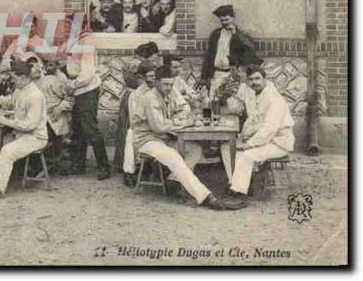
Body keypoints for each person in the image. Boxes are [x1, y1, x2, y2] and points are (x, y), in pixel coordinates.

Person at [133, 66, 227, 210]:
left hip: (164, 138)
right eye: (165, 84)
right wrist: (182, 123)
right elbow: (158, 127)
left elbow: (185, 108)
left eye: (171, 84)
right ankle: (205, 196)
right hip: (147, 140)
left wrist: (177, 118)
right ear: (157, 82)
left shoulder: (170, 92)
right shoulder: (150, 98)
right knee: (173, 156)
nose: (169, 87)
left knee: (195, 149)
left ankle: (174, 180)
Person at [224, 65, 295, 209]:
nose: (254, 82)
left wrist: (250, 143)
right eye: (250, 79)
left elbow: (269, 129)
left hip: (279, 142)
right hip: (266, 140)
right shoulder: (254, 93)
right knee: (235, 148)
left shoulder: (274, 99)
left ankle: (240, 196)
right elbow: (253, 119)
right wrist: (244, 136)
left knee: (247, 154)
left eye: (257, 78)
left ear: (265, 79)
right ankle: (242, 186)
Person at [0, 60, 48, 201]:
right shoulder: (20, 90)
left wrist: (6, 121)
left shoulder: (35, 96)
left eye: (14, 78)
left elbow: (30, 125)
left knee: (7, 151)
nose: (12, 80)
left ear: (23, 77)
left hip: (35, 137)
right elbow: (11, 100)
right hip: (21, 134)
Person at [58, 18, 111, 179]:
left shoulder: (86, 42)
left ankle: (104, 167)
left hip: (87, 90)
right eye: (68, 25)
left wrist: (71, 85)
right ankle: (78, 165)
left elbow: (88, 73)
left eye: (73, 26)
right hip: (78, 90)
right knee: (78, 129)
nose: (70, 29)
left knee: (90, 129)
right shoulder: (75, 41)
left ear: (83, 26)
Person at [115, 59, 156, 183]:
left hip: (153, 125)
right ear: (141, 77)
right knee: (130, 136)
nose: (152, 79)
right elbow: (135, 120)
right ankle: (129, 171)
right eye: (149, 76)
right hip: (140, 124)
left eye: (154, 76)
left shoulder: (155, 89)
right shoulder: (136, 93)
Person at [200, 5, 255, 97]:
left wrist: (234, 34)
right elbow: (208, 56)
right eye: (222, 20)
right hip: (216, 75)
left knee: (232, 103)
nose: (224, 23)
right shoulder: (215, 34)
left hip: (233, 75)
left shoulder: (242, 35)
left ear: (233, 18)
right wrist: (204, 77)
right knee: (215, 102)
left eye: (227, 19)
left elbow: (248, 49)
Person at [34, 58, 74, 174]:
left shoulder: (54, 80)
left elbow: (70, 98)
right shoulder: (32, 83)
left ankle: (39, 165)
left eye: (50, 65)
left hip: (52, 119)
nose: (46, 68)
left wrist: (60, 108)